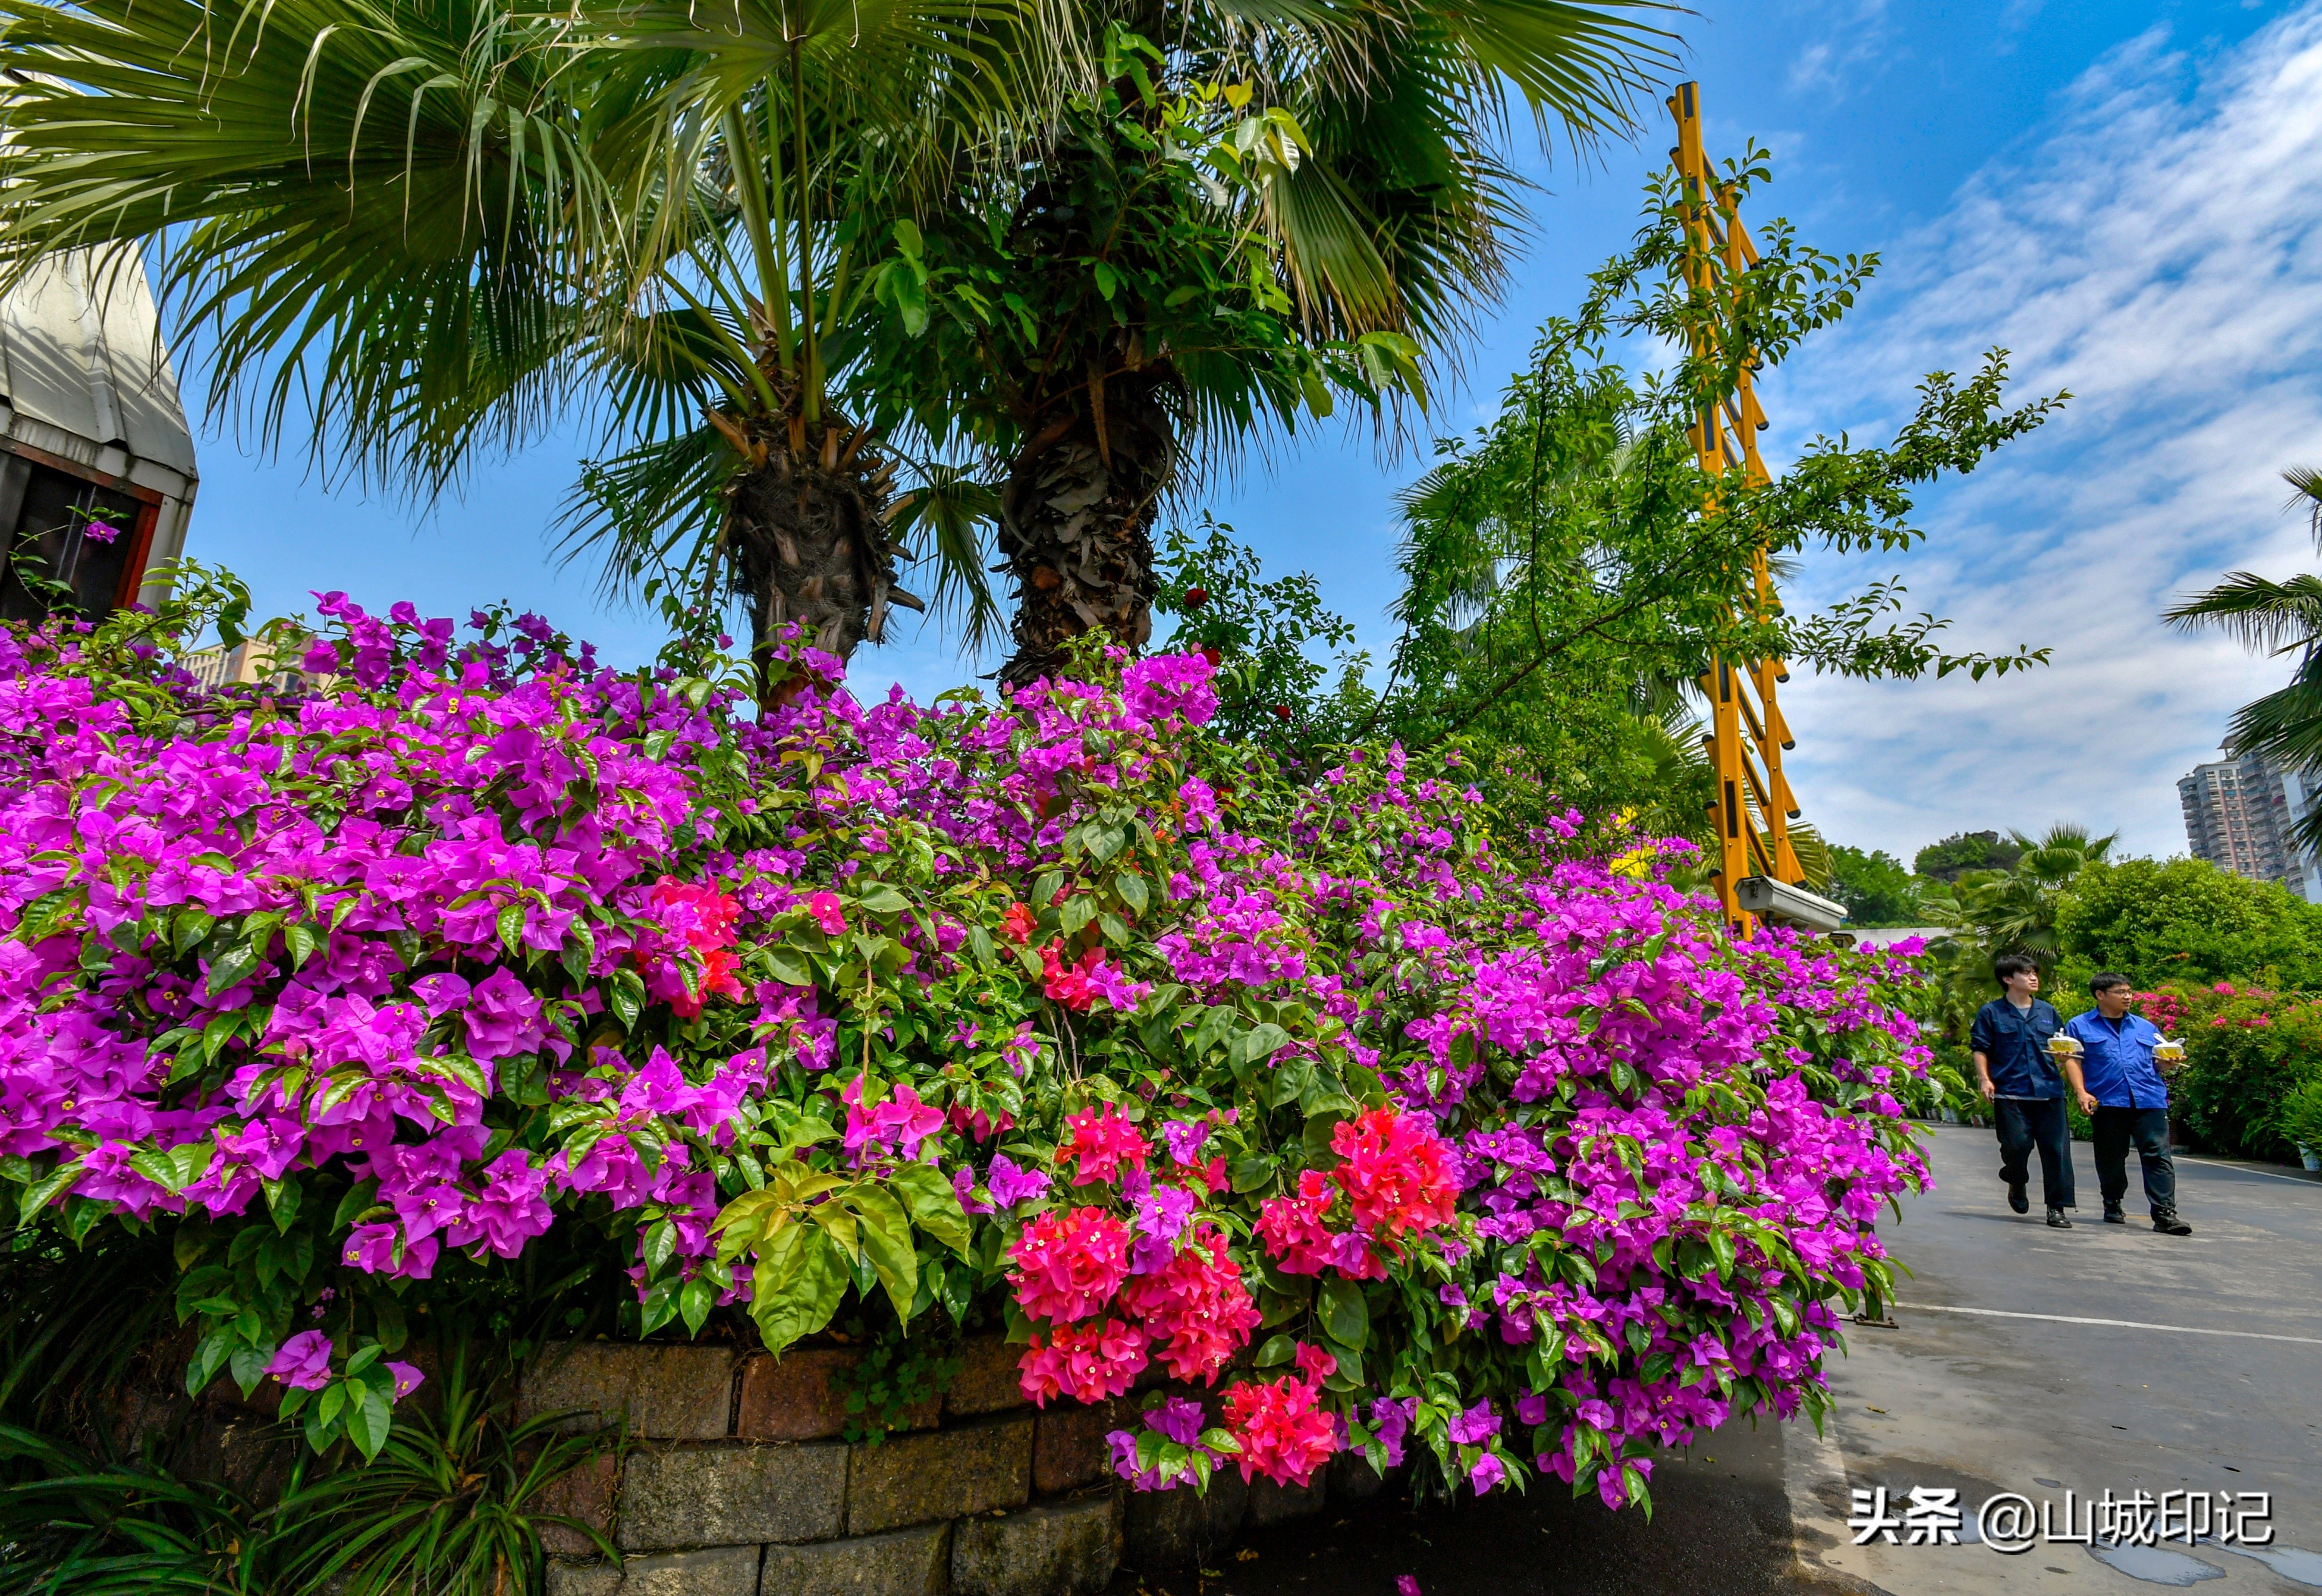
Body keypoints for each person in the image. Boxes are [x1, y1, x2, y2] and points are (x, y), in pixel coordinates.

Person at [2062, 973, 2193, 1236]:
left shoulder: (2146, 1028)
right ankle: (2112, 1201)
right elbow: (2072, 1059)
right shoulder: (2080, 1026)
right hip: (2109, 1101)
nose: (2128, 997)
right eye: (2121, 992)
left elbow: (2157, 1062)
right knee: (2111, 1158)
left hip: (2149, 1099)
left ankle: (2165, 1213)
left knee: (2158, 1155)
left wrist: (2166, 1064)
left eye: (2130, 992)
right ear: (2101, 995)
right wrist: (2081, 1093)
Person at [1969, 953, 2075, 1227]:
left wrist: (2063, 1057)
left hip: (2049, 1091)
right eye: (2026, 973)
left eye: (2035, 973)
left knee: (2056, 1151)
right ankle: (2016, 1179)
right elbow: (1980, 1047)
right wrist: (1984, 1079)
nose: (2033, 978)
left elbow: (2060, 1045)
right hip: (2010, 1092)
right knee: (2016, 1147)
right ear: (2008, 979)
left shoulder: (2048, 1011)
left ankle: (2057, 1208)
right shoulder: (1991, 1013)